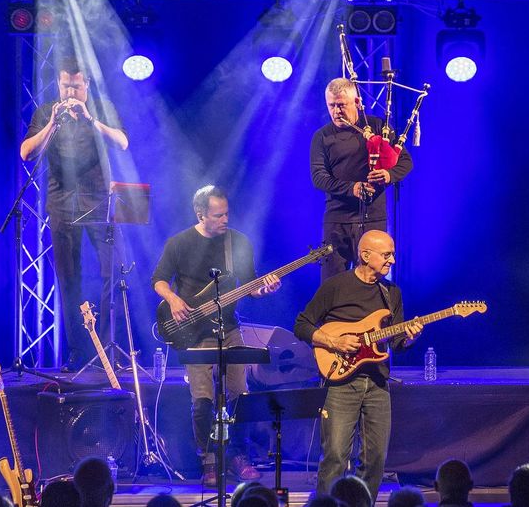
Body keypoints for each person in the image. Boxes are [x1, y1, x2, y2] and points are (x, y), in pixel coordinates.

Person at [151, 185, 279, 485]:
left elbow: (251, 285)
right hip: (193, 333)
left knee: (238, 394)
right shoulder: (179, 242)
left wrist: (265, 289)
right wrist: (173, 299)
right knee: (203, 399)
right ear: (201, 215)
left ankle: (236, 454)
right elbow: (158, 280)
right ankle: (208, 459)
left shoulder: (237, 242)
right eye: (217, 215)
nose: (224, 220)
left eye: (226, 214)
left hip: (229, 328)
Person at [20, 56, 129, 371]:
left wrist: (91, 119)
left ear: (87, 85)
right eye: (65, 84)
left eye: (76, 85)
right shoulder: (47, 112)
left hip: (99, 202)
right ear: (58, 83)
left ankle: (107, 348)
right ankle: (78, 352)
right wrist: (53, 122)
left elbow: (123, 142)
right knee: (69, 280)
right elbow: (26, 152)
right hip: (61, 203)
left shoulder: (100, 107)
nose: (70, 91)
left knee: (113, 273)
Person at [294, 230, 422, 495]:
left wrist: (409, 338)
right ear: (365, 255)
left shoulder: (391, 293)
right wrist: (334, 343)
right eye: (387, 255)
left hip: (377, 383)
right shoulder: (335, 286)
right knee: (336, 457)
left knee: (375, 459)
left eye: (393, 255)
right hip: (341, 383)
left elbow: (397, 342)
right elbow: (302, 325)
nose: (392, 261)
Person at [310, 77, 413, 280]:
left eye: (341, 105)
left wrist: (388, 175)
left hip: (373, 218)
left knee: (372, 281)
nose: (336, 112)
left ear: (357, 102)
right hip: (337, 221)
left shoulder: (378, 127)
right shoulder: (322, 137)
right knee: (333, 283)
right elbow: (318, 177)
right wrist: (352, 188)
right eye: (332, 105)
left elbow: (406, 162)